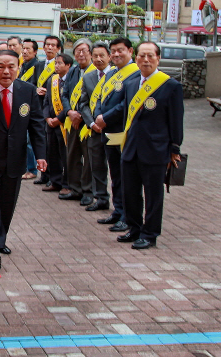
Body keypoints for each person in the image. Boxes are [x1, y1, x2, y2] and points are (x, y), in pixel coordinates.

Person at [98, 42, 183, 249]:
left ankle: (150, 234)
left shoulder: (170, 86)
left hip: (155, 149)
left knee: (153, 195)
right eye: (142, 56)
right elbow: (127, 117)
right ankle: (134, 228)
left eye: (150, 56)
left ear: (158, 59)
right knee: (130, 192)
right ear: (136, 58)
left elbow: (176, 121)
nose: (146, 60)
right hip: (130, 147)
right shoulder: (131, 84)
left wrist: (175, 148)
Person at [0, 50, 46, 269]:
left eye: (11, 66)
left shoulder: (27, 91)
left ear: (19, 68)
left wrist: (41, 155)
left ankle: (0, 238)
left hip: (15, 160)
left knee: (7, 204)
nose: (6, 71)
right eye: (1, 66)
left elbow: (36, 125)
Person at [93, 37, 140, 231]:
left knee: (127, 176)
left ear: (130, 51)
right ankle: (118, 210)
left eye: (120, 50)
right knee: (115, 174)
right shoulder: (111, 73)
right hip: (108, 131)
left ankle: (128, 216)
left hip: (123, 132)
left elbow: (126, 104)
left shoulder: (136, 74)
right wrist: (98, 116)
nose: (116, 54)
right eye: (113, 51)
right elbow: (100, 97)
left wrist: (105, 117)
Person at [58, 38, 95, 206]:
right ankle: (75, 189)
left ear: (90, 53)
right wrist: (70, 112)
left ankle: (88, 191)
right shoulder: (72, 71)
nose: (80, 54)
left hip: (88, 122)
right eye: (77, 51)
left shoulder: (95, 72)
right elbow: (65, 94)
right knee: (72, 155)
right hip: (72, 120)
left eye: (84, 50)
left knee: (88, 158)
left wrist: (81, 115)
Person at [77, 42, 111, 212]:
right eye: (95, 55)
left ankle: (121, 205)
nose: (98, 59)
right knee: (96, 165)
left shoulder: (117, 75)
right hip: (94, 129)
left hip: (113, 128)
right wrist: (91, 123)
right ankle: (101, 198)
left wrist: (106, 120)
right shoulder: (88, 77)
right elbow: (83, 104)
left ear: (109, 57)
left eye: (102, 55)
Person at [34, 35, 62, 187]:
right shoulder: (38, 65)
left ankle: (54, 177)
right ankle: (44, 175)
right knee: (42, 143)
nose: (50, 47)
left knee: (53, 147)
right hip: (39, 108)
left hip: (53, 110)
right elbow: (33, 83)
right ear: (43, 47)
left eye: (53, 45)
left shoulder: (60, 65)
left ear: (58, 49)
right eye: (47, 45)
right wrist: (36, 89)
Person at [42, 53, 73, 194]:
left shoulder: (72, 80)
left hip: (64, 123)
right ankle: (55, 181)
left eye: (60, 63)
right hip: (51, 123)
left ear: (68, 65)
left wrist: (59, 118)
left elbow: (70, 102)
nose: (56, 66)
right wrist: (47, 118)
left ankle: (67, 184)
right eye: (56, 63)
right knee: (52, 153)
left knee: (65, 155)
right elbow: (46, 101)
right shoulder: (52, 80)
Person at [18, 38, 44, 180]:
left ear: (35, 51)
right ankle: (26, 167)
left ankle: (32, 169)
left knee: (30, 140)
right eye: (23, 48)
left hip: (33, 106)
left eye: (28, 49)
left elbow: (38, 86)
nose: (25, 51)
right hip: (22, 106)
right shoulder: (23, 65)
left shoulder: (37, 66)